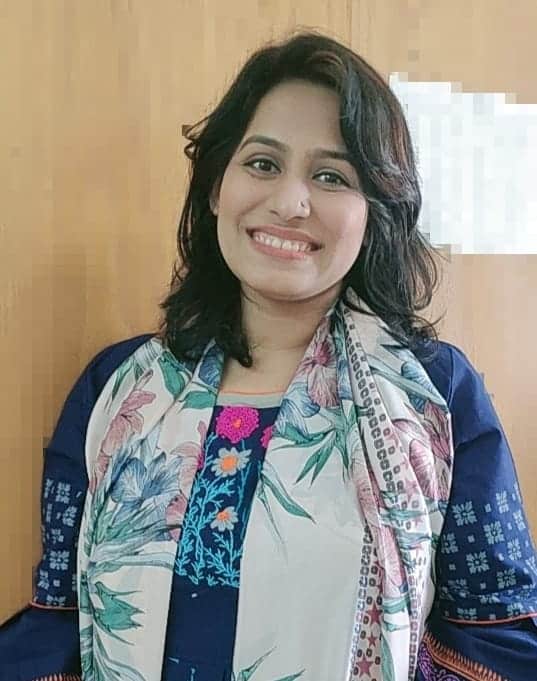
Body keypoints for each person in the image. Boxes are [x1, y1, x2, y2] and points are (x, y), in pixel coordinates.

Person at [1, 28, 536, 681]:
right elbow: (56, 622)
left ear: (373, 212)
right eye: (262, 163)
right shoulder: (116, 389)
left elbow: (494, 633)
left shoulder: (435, 392)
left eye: (331, 175)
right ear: (215, 188)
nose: (288, 202)